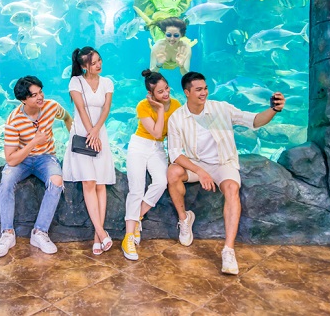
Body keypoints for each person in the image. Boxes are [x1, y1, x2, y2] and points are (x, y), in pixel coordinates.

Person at [166, 71, 285, 274]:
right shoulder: (177, 118)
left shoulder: (221, 108)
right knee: (173, 172)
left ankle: (228, 250)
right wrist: (200, 171)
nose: (204, 93)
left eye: (205, 88)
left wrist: (274, 109)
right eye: (198, 90)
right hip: (197, 163)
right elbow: (175, 153)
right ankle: (184, 219)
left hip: (223, 162)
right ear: (187, 92)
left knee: (231, 189)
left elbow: (254, 121)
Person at [0, 75, 73, 258]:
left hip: (46, 157)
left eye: (40, 92)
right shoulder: (14, 120)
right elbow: (11, 159)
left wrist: (73, 139)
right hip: (22, 159)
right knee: (6, 181)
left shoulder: (51, 106)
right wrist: (34, 142)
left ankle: (40, 232)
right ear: (23, 100)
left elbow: (67, 117)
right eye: (34, 95)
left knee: (57, 182)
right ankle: (7, 234)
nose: (40, 97)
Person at [121, 69, 181, 261]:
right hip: (139, 146)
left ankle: (137, 217)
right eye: (160, 92)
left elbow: (173, 134)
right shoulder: (143, 106)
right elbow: (155, 132)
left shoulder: (177, 105)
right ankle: (128, 237)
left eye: (167, 88)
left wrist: (174, 157)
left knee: (161, 182)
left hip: (158, 149)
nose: (166, 93)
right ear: (151, 94)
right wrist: (161, 110)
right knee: (136, 189)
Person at [63, 46, 116, 255]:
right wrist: (90, 132)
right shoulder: (75, 82)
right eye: (93, 63)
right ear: (84, 66)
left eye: (99, 60)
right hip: (81, 133)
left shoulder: (107, 82)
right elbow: (81, 109)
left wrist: (96, 131)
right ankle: (102, 233)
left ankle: (97, 236)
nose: (98, 65)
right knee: (89, 182)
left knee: (101, 184)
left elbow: (106, 109)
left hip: (99, 134)